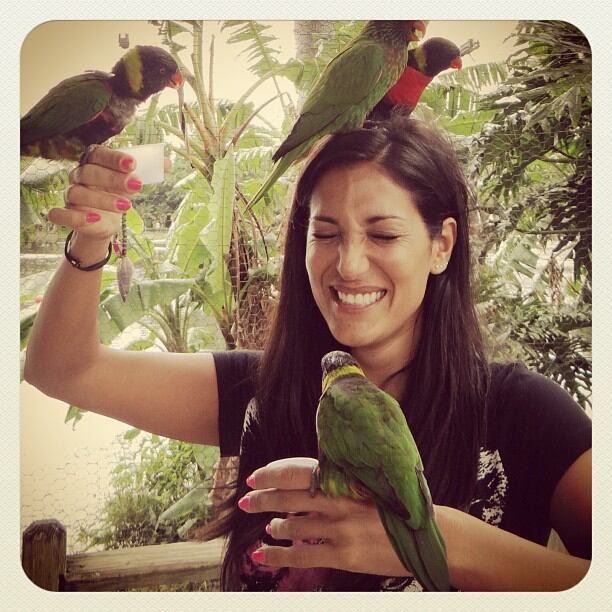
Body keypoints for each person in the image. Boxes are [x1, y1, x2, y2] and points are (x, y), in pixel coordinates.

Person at [24, 114, 591, 592]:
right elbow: (62, 369)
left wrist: (445, 542)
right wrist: (92, 236)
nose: (347, 265)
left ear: (441, 245)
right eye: (326, 233)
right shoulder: (262, 390)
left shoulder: (526, 413)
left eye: (383, 235)